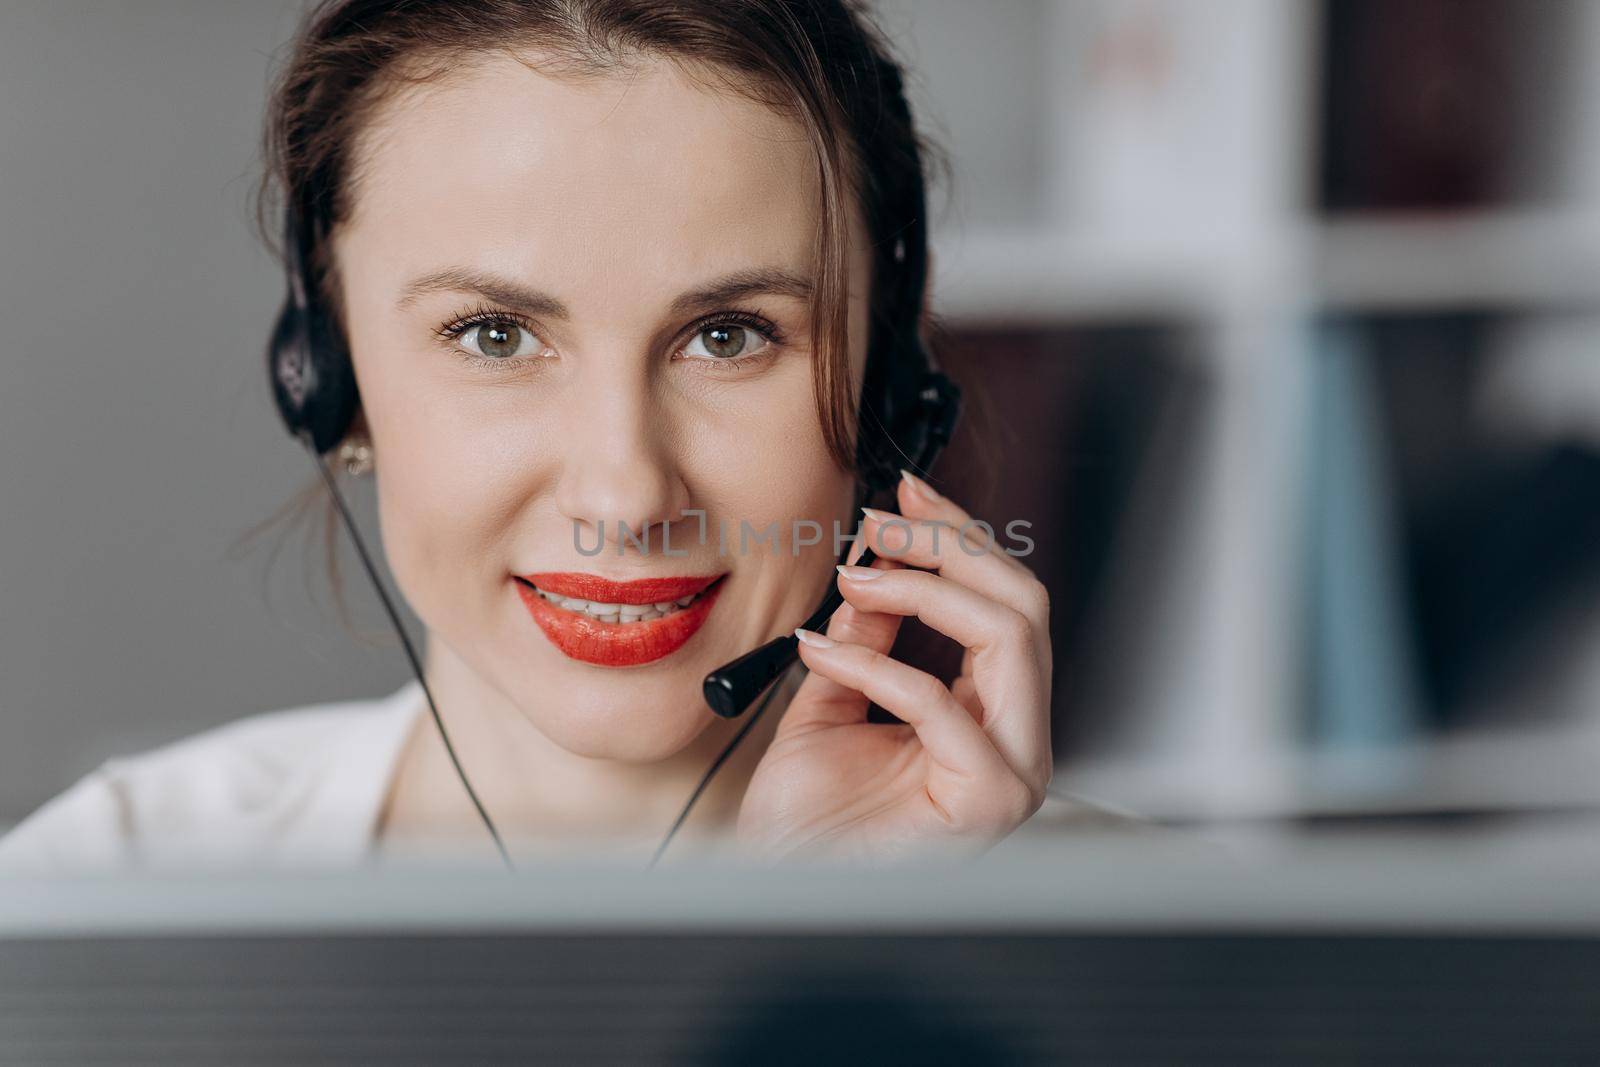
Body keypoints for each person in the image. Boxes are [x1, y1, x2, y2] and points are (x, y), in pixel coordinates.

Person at [0, 0, 1125, 874]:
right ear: (328, 370)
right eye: (494, 334)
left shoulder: (1175, 950)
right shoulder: (105, 884)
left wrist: (840, 944)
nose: (625, 493)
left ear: (889, 375)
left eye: (728, 335)